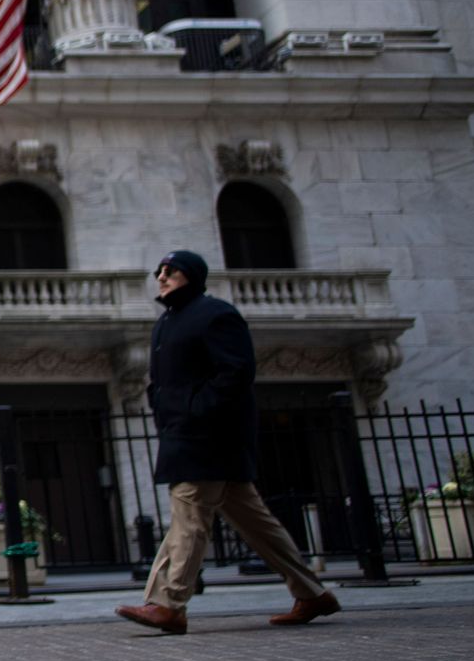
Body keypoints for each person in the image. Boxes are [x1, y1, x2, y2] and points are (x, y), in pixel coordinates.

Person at [116, 250, 340, 635]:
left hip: (209, 436)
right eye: (159, 271)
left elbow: (236, 372)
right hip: (184, 432)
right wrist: (165, 408)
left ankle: (168, 604)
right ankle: (312, 593)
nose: (162, 277)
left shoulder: (216, 314)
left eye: (171, 271)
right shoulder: (166, 322)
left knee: (188, 516)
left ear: (192, 276)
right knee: (257, 524)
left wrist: (196, 410)